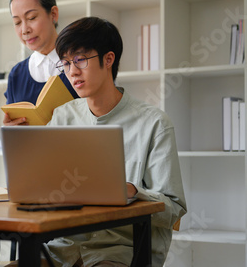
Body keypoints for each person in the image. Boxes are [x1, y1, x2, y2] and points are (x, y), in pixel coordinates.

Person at [43, 16, 187, 267]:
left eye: (80, 60)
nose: (72, 72)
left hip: (120, 251)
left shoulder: (154, 123)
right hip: (62, 249)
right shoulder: (62, 116)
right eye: (65, 63)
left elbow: (173, 209)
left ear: (108, 59)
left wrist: (135, 192)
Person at [4, 0, 78, 125]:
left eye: (31, 18)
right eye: (17, 22)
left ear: (53, 14)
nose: (25, 29)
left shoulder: (81, 62)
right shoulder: (16, 74)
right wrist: (10, 129)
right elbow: (12, 126)